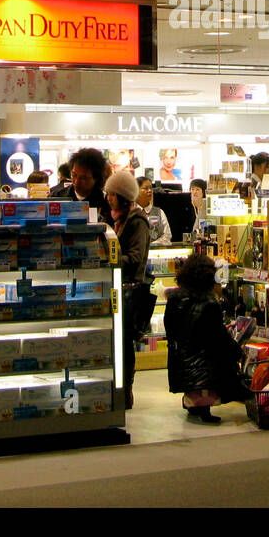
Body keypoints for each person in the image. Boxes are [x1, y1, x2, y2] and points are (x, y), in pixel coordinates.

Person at [164, 251, 252, 424]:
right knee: (224, 362)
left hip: (179, 366)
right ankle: (205, 403)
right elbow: (218, 340)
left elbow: (172, 331)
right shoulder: (209, 305)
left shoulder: (174, 300)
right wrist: (237, 351)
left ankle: (193, 402)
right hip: (203, 369)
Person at [105, 170, 151, 408]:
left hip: (130, 292)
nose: (108, 197)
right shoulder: (118, 219)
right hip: (118, 290)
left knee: (124, 343)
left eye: (112, 193)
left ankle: (126, 392)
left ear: (123, 195)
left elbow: (135, 257)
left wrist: (107, 257)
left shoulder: (137, 221)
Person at [67, 147, 112, 225]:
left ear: (96, 178)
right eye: (74, 175)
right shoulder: (57, 197)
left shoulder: (105, 203)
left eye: (83, 178)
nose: (77, 182)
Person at [137, 177, 173, 246]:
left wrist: (151, 245)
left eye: (151, 188)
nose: (149, 191)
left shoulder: (159, 212)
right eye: (145, 188)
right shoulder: (130, 213)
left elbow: (167, 236)